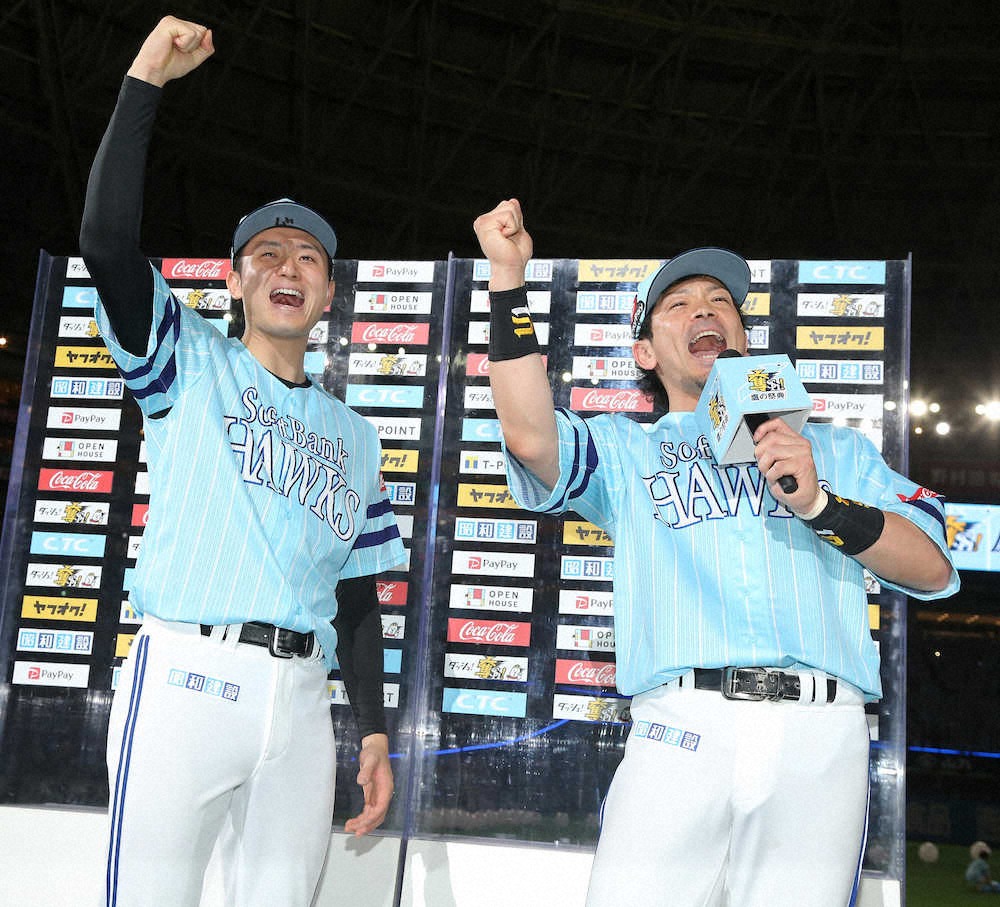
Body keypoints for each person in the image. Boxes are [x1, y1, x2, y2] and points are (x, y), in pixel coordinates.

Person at [472, 198, 959, 907]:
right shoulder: (626, 449)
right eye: (679, 303)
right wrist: (509, 281)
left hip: (818, 735)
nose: (705, 310)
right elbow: (529, 437)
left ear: (743, 333)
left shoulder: (833, 450)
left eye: (720, 301)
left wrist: (823, 505)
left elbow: (937, 567)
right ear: (644, 350)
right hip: (683, 724)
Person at [79, 16, 406, 907]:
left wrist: (371, 732)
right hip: (188, 674)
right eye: (266, 254)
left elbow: (356, 597)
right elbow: (108, 245)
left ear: (330, 293)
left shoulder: (359, 438)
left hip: (302, 699)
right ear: (233, 280)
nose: (288, 265)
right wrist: (145, 77)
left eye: (308, 256)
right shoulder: (187, 359)